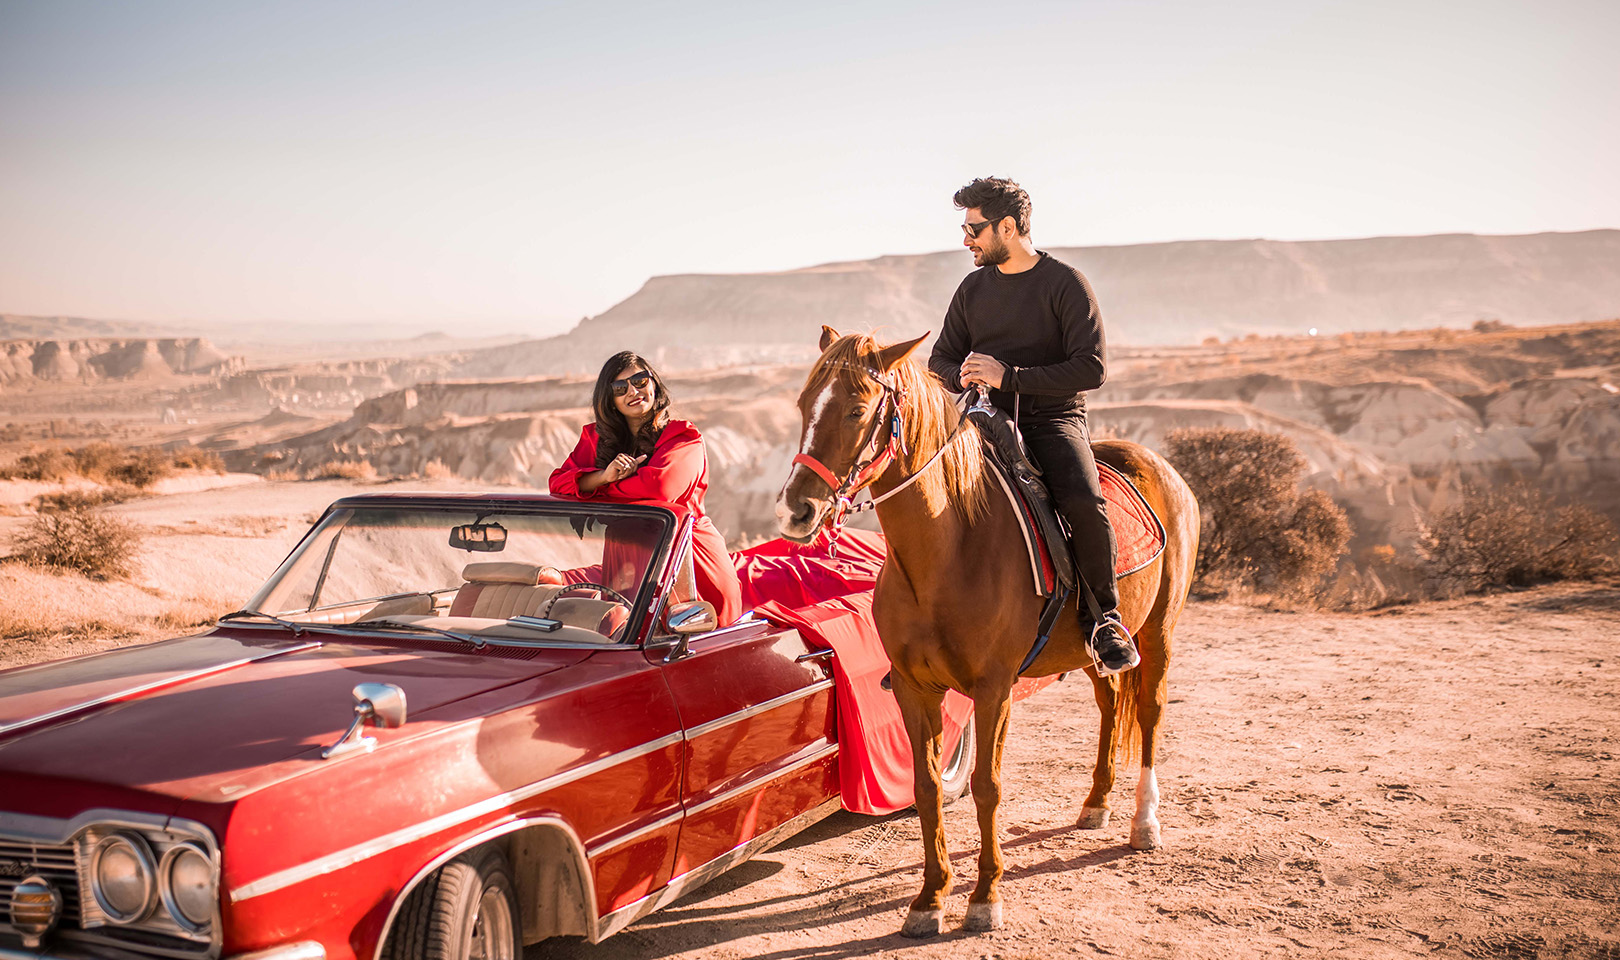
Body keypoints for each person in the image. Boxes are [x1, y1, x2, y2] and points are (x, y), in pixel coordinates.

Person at [927, 176, 1139, 676]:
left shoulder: (1065, 283)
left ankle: (1104, 619)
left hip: (1054, 420)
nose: (965, 240)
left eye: (973, 228)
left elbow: (1092, 368)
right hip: (982, 422)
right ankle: (924, 631)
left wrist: (1010, 376)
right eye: (963, 228)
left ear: (1008, 226)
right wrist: (961, 373)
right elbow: (940, 359)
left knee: (1085, 502)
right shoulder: (972, 289)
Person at [549, 351, 743, 627]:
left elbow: (659, 489)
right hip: (627, 560)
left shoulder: (683, 437)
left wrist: (596, 488)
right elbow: (558, 483)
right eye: (620, 387)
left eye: (640, 380)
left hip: (687, 558)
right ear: (611, 400)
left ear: (654, 384)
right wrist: (604, 476)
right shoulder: (596, 441)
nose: (633, 391)